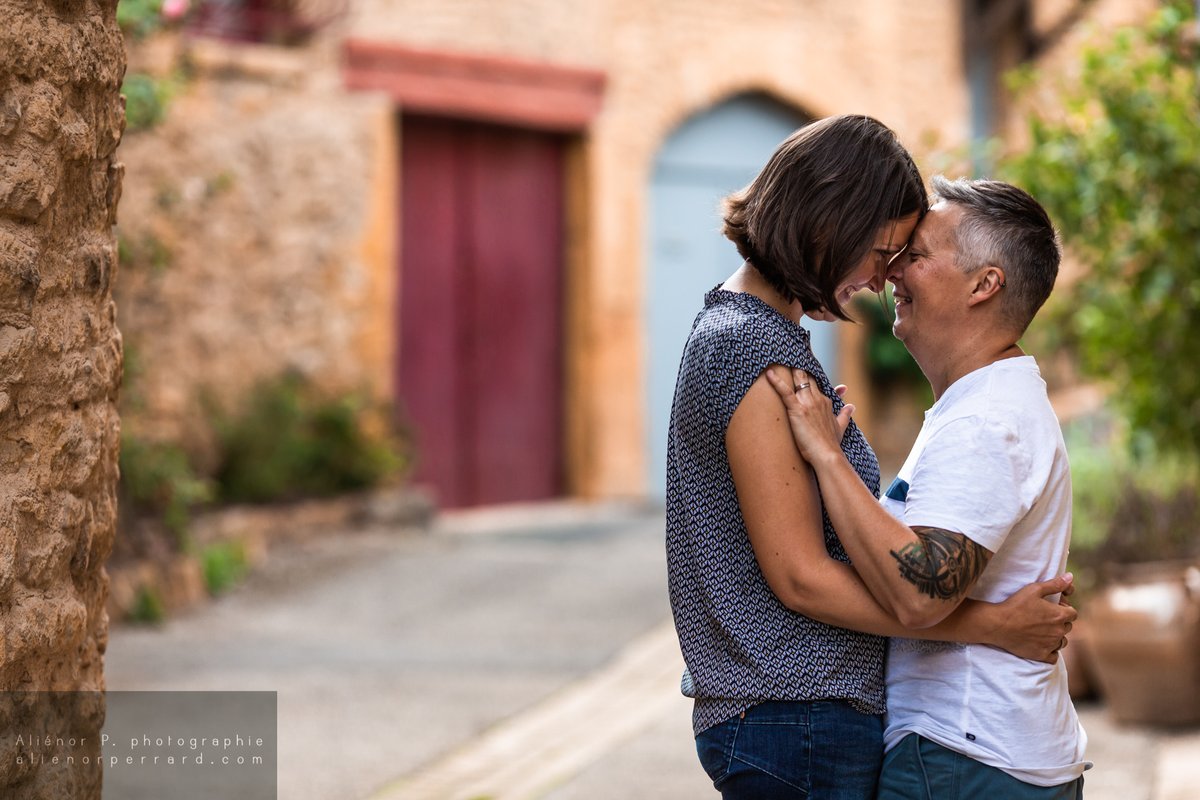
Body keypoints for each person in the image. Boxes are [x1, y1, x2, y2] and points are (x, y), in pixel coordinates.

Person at [666, 115, 1076, 800]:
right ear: (830, 223)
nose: (883, 279)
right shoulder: (751, 348)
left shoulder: (763, 341)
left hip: (805, 718)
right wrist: (994, 625)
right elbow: (801, 578)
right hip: (795, 714)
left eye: (903, 258)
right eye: (884, 252)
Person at [765, 176, 1088, 798]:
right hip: (976, 754)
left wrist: (826, 460)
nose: (891, 275)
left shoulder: (987, 421)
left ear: (983, 283)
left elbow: (919, 596)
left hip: (964, 756)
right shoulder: (978, 404)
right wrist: (991, 623)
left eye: (916, 256)